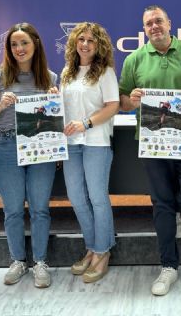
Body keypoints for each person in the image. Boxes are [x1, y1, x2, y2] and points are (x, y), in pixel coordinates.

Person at [119, 5, 181, 296]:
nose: (154, 26)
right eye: (149, 23)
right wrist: (132, 101)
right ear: (144, 29)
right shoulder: (134, 59)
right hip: (152, 141)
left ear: (169, 23)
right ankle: (168, 266)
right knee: (160, 203)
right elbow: (123, 100)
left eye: (158, 20)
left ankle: (175, 209)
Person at [0, 22, 58, 289]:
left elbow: (54, 118)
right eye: (14, 44)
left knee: (39, 210)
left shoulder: (51, 78)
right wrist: (1, 104)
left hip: (40, 149)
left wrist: (56, 101)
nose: (19, 48)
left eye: (24, 43)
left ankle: (41, 263)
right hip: (7, 147)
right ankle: (17, 261)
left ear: (35, 44)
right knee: (12, 210)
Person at [61, 22, 119, 283]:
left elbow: (112, 106)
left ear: (99, 46)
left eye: (91, 41)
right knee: (76, 197)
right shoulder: (66, 73)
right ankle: (91, 246)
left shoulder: (105, 72)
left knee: (97, 198)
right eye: (81, 39)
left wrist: (85, 123)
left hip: (96, 140)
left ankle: (103, 251)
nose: (85, 44)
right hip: (71, 144)